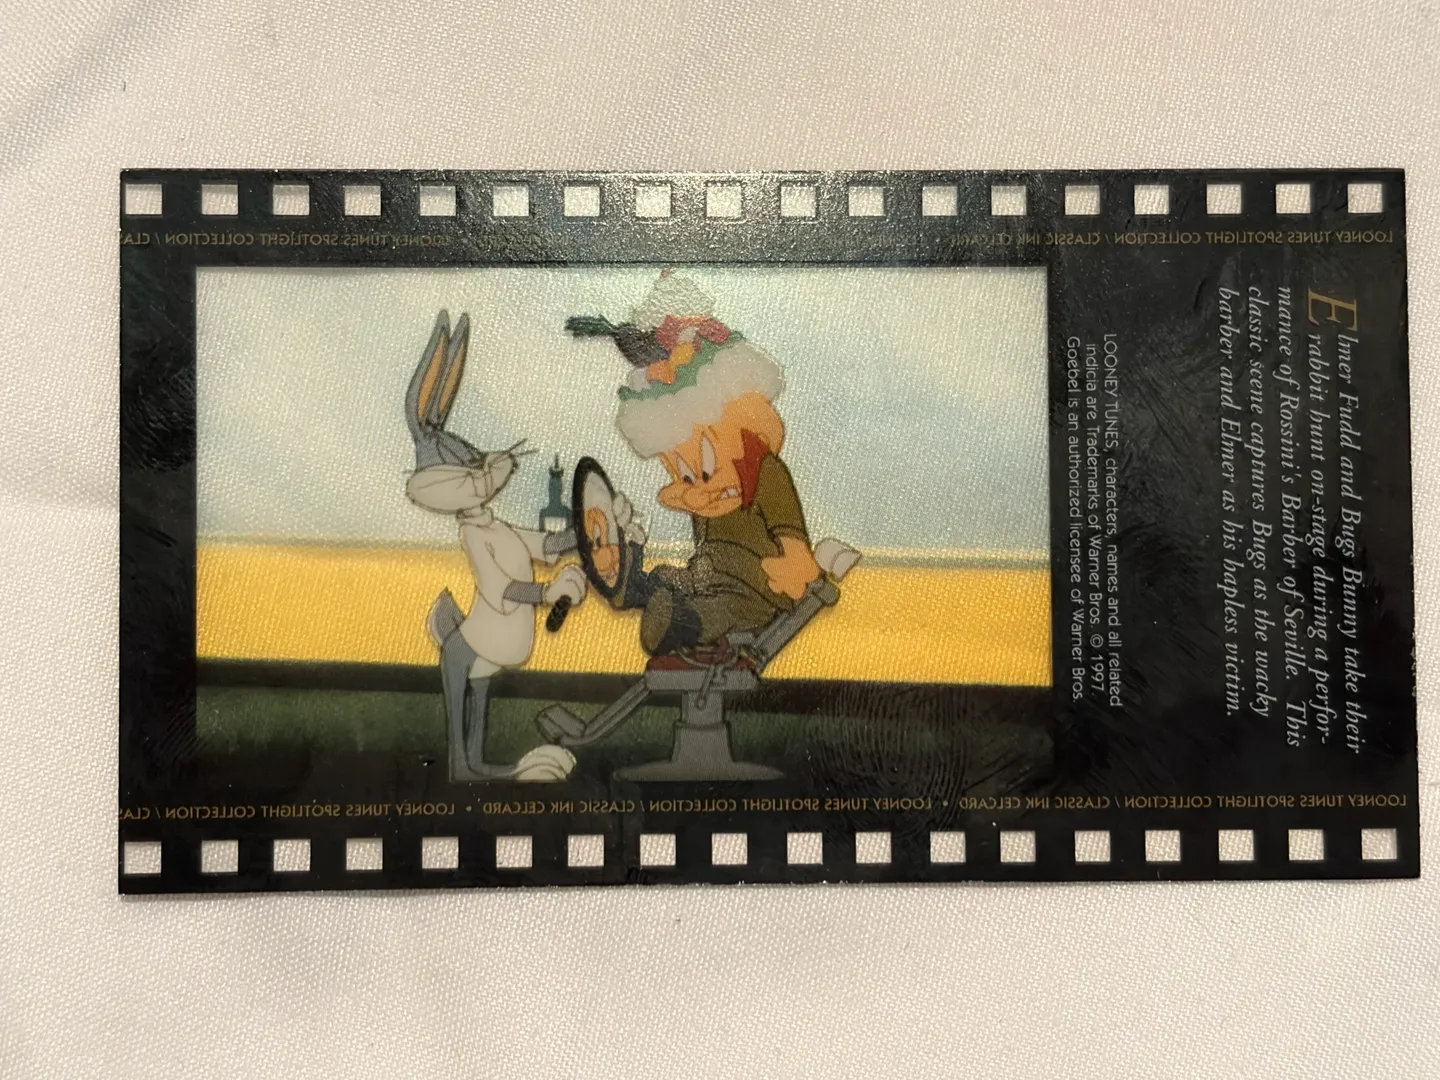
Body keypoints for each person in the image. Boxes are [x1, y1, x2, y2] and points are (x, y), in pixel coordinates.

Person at [567, 272, 819, 659]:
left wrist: (795, 566)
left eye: (702, 466)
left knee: (714, 609)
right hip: (708, 577)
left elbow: (791, 536)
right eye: (684, 474)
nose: (696, 485)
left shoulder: (765, 474)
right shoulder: (707, 497)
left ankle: (679, 622)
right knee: (665, 580)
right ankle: (633, 587)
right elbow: (708, 547)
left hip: (756, 589)